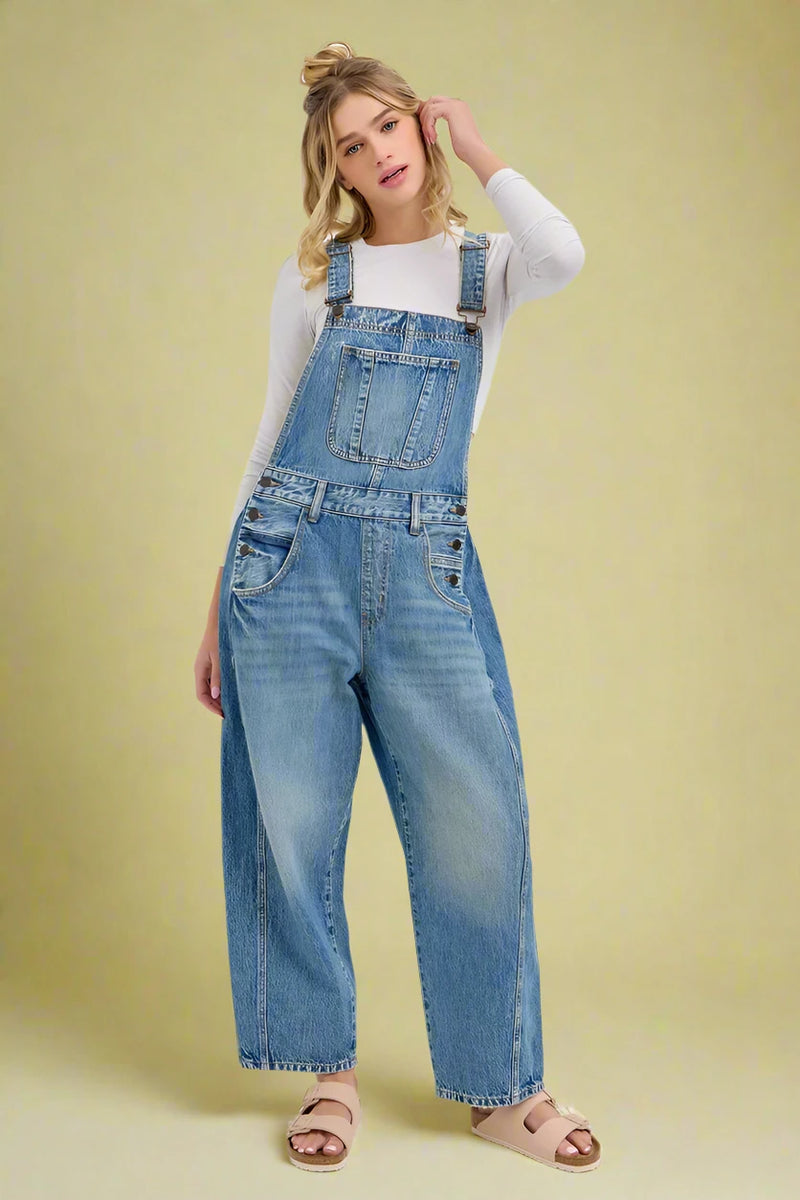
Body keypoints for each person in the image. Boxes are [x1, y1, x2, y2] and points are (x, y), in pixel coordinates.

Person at [194, 41, 601, 1175]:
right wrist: (216, 605)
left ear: (420, 128)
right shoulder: (318, 278)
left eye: (388, 126)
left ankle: (501, 1088)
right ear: (332, 170)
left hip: (425, 568)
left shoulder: (491, 265)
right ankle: (326, 1075)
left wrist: (475, 140)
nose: (376, 155)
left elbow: (566, 252)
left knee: (478, 823)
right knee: (292, 824)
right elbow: (271, 435)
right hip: (286, 563)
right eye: (349, 145)